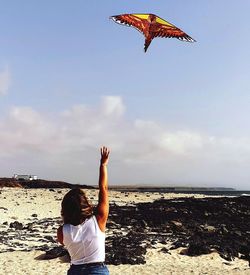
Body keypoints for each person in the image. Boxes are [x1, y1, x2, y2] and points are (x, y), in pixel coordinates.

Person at [57, 146, 110, 275]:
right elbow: (103, 188)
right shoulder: (98, 220)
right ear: (86, 204)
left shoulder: (62, 231)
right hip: (98, 270)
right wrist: (103, 165)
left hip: (75, 271)